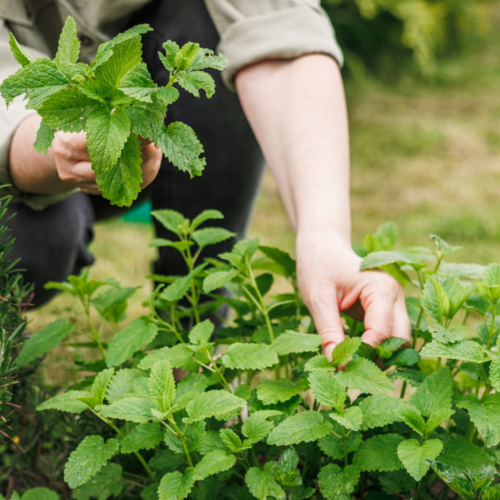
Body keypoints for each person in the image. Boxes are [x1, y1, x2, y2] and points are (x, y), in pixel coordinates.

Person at [0, 0, 411, 358]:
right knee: (35, 246)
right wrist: (54, 148)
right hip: (24, 130)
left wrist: (325, 237)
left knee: (216, 36)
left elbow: (276, 25)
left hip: (133, 122)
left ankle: (194, 352)